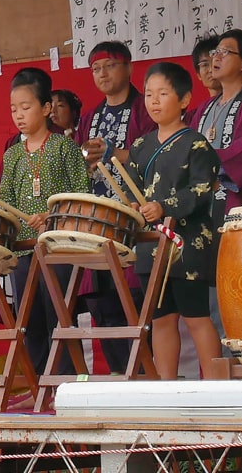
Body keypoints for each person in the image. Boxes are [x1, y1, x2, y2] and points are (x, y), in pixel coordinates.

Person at [120, 62, 223, 379]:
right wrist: (137, 206)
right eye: (149, 94)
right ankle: (167, 386)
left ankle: (217, 386)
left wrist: (163, 206)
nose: (153, 101)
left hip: (187, 243)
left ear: (183, 99)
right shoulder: (139, 146)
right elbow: (130, 186)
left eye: (162, 93)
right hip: (151, 245)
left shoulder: (196, 143)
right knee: (161, 319)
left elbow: (203, 189)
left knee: (195, 316)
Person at [0, 67, 89, 374]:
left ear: (46, 108)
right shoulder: (12, 155)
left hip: (59, 246)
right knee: (29, 318)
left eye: (26, 107)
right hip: (23, 249)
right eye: (13, 109)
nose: (18, 115)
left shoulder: (65, 147)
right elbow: (6, 200)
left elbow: (82, 197)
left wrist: (53, 216)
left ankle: (65, 383)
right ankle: (37, 384)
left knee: (59, 315)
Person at [73, 41, 153, 375]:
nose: (102, 74)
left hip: (134, 217)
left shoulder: (144, 110)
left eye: (110, 65)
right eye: (96, 68)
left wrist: (115, 153)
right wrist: (87, 162)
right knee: (101, 300)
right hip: (96, 220)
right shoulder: (90, 116)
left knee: (135, 299)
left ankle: (144, 375)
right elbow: (79, 163)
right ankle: (119, 376)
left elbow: (155, 152)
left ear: (130, 68)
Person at [186, 29, 242, 211]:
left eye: (224, 52)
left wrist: (198, 161)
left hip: (238, 205)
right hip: (203, 203)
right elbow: (188, 145)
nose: (215, 58)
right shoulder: (205, 107)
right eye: (215, 52)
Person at [191, 34, 221, 105]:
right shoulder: (199, 113)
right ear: (199, 75)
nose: (211, 70)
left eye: (217, 62)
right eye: (205, 65)